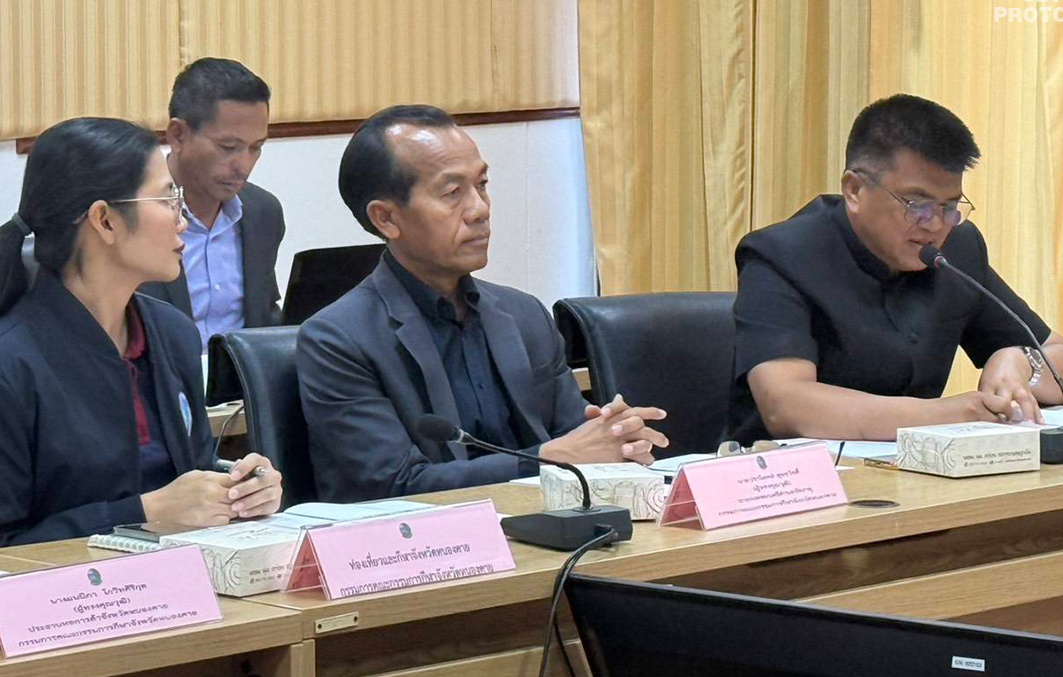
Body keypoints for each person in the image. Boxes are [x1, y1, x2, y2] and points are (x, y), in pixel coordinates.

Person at [297, 105, 668, 500]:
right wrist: (545, 460)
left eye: (482, 184)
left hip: (543, 522)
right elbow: (392, 486)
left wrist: (612, 439)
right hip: (425, 535)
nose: (480, 209)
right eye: (452, 193)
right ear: (386, 218)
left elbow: (573, 441)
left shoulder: (524, 314)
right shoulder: (338, 339)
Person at [728, 94, 1063, 443]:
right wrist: (947, 414)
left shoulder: (956, 250)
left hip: (913, 473)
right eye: (917, 204)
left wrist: (1020, 361)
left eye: (950, 206)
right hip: (794, 476)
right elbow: (786, 405)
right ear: (854, 190)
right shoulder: (782, 254)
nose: (936, 224)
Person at [0, 118, 283, 546]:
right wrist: (145, 512)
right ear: (105, 221)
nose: (182, 220)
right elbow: (8, 546)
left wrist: (238, 488)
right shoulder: (13, 362)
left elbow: (189, 472)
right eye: (168, 198)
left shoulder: (172, 332)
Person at [138, 58, 285, 351]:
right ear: (178, 135)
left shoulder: (263, 212)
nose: (244, 166)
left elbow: (265, 317)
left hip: (240, 377)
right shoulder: (134, 215)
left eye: (256, 148)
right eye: (228, 147)